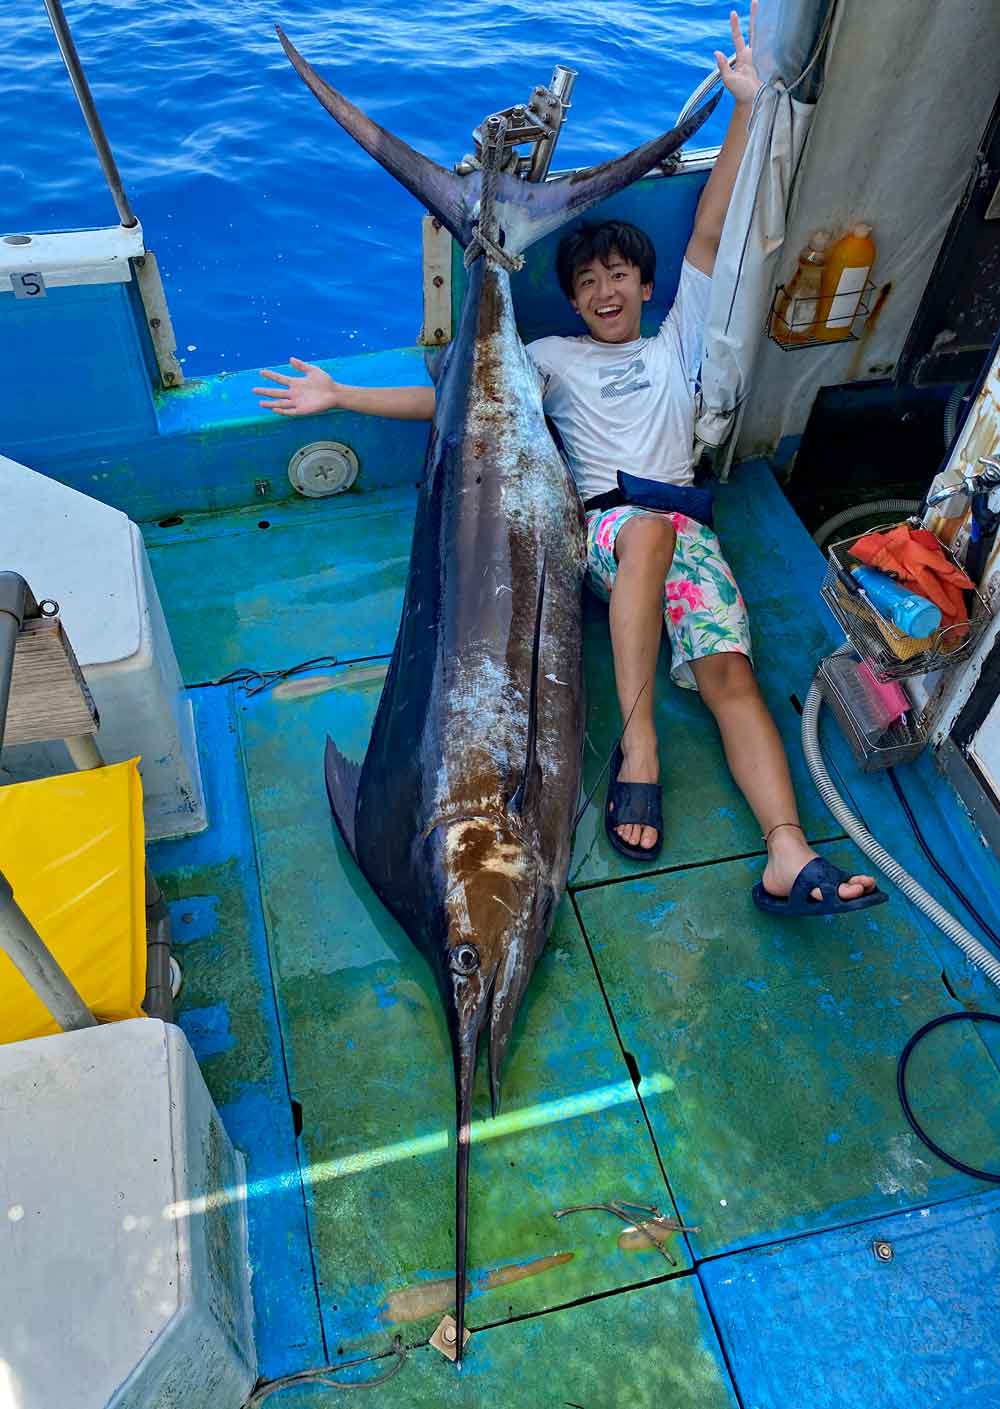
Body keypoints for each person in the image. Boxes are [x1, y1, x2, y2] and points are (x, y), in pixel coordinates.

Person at [254, 6, 884, 917]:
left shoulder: (678, 345)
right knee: (645, 541)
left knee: (730, 674)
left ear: (642, 283)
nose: (602, 291)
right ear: (575, 303)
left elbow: (708, 234)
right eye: (585, 285)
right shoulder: (551, 361)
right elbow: (458, 402)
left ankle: (788, 851)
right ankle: (639, 752)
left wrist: (745, 107)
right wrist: (343, 398)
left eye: (617, 276)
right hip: (602, 530)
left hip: (682, 533)